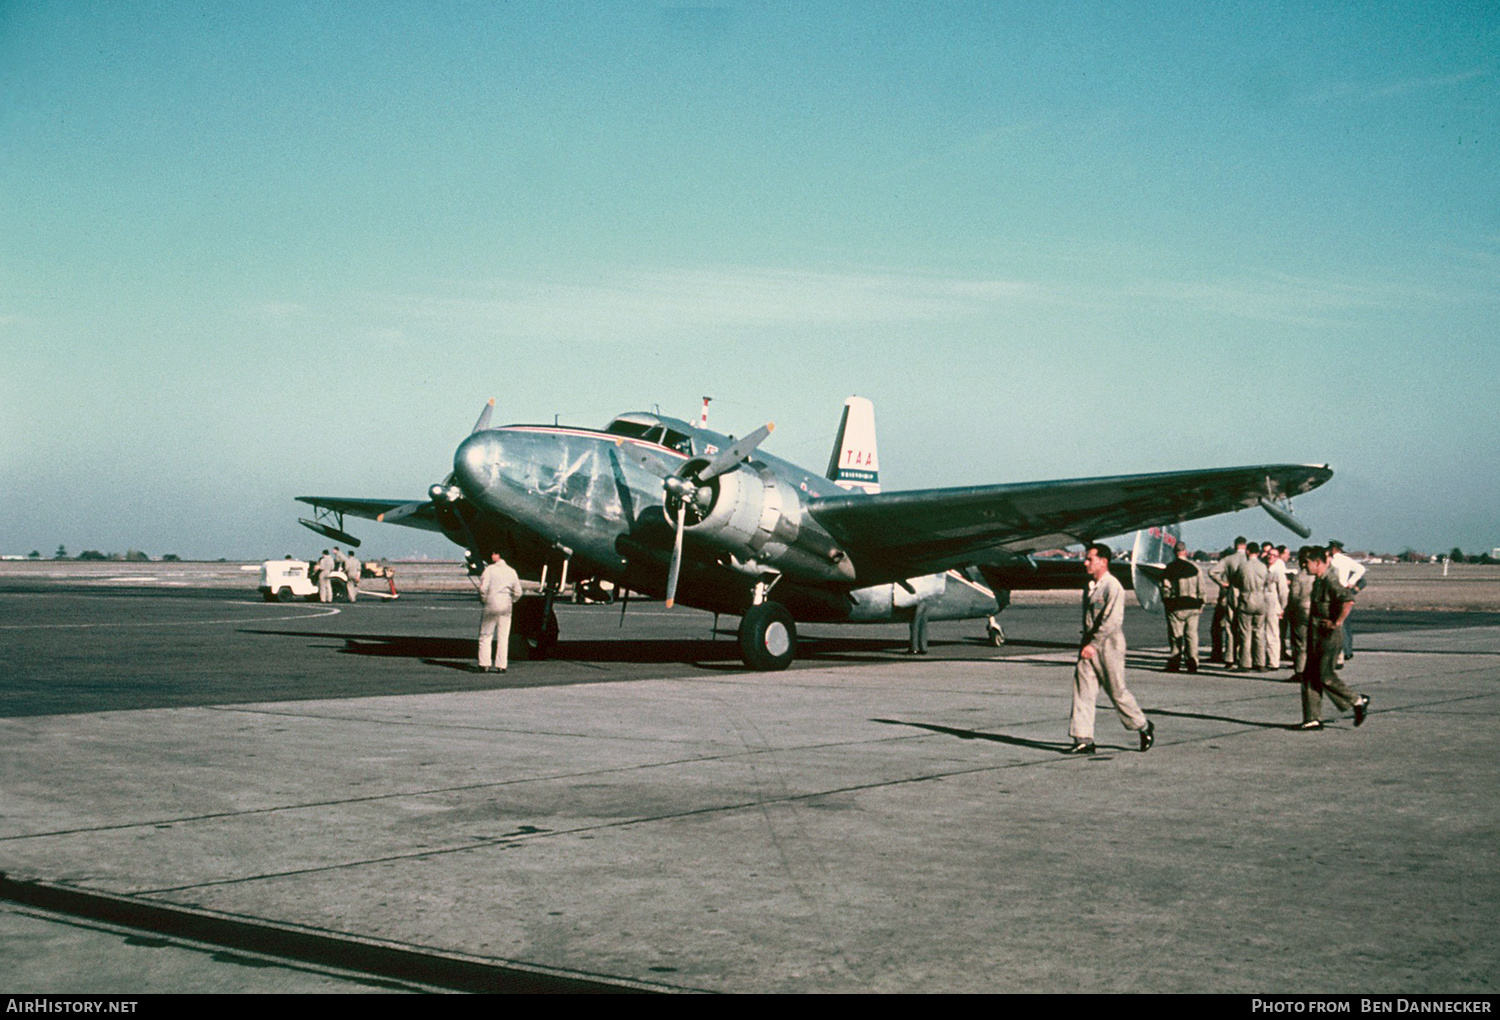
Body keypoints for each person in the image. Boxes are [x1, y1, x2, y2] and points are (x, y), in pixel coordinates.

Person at [1066, 543, 1154, 754]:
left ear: (1103, 562)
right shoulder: (1090, 586)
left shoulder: (1112, 586)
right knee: (1082, 691)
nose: (1085, 562)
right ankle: (1084, 739)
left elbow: (1112, 620)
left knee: (1117, 692)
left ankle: (1143, 726)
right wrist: (1087, 645)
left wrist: (1094, 645)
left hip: (1108, 646)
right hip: (1089, 645)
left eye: (1090, 559)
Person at [1299, 546, 1370, 730]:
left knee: (1325, 676)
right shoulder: (1319, 580)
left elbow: (1347, 600)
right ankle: (1312, 718)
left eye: (1306, 562)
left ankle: (1357, 701)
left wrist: (1336, 622)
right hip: (1316, 635)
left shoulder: (1330, 579)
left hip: (1328, 637)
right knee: (1309, 677)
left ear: (1317, 562)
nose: (1304, 566)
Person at [1159, 543, 1205, 673]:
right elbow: (1201, 589)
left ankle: (1175, 662)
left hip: (1176, 607)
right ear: (1186, 551)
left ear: (1175, 552)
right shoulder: (1196, 568)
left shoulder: (1170, 568)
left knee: (1176, 636)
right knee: (1192, 635)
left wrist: (1166, 601)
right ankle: (1193, 662)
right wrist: (1201, 603)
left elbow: (1165, 588)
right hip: (1193, 606)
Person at [477, 551, 524, 673]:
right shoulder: (511, 571)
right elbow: (518, 592)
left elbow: (483, 588)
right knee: (503, 637)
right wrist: (511, 600)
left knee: (486, 635)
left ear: (498, 556)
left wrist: (484, 600)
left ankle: (484, 663)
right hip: (506, 605)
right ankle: (501, 665)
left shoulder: (490, 570)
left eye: (494, 554)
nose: (492, 556)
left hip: (492, 604)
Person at [1229, 541, 1270, 670]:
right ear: (1258, 553)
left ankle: (1245, 663)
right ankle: (1260, 662)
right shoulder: (1263, 567)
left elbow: (1236, 583)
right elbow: (1267, 583)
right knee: (1259, 632)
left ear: (1247, 551)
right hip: (1260, 601)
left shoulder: (1243, 567)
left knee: (1245, 633)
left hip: (1246, 600)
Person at [1208, 537, 1247, 665]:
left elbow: (1212, 572)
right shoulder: (1249, 560)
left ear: (1235, 545)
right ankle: (1244, 656)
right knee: (1245, 627)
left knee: (1227, 627)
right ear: (1245, 546)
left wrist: (1222, 583)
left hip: (1229, 594)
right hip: (1247, 595)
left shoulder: (1228, 559)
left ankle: (1228, 656)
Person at [1326, 540, 1366, 662]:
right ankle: (1347, 651)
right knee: (1345, 624)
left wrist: (1351, 583)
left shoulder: (1337, 560)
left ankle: (1342, 652)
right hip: (1341, 590)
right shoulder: (1344, 560)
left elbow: (1361, 569)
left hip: (1337, 591)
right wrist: (1352, 582)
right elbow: (1361, 569)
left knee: (1340, 623)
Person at [1285, 547, 1316, 682]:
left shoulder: (1300, 577)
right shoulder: (1318, 576)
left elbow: (1294, 596)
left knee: (1300, 643)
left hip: (1301, 611)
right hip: (1315, 611)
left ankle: (1300, 671)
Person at [1262, 542, 1288, 670]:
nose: (1270, 557)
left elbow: (1283, 592)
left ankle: (1273, 661)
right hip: (1261, 604)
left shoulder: (1278, 572)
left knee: (1272, 633)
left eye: (1274, 555)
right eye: (1269, 555)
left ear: (1277, 558)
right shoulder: (1263, 570)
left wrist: (1283, 608)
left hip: (1273, 604)